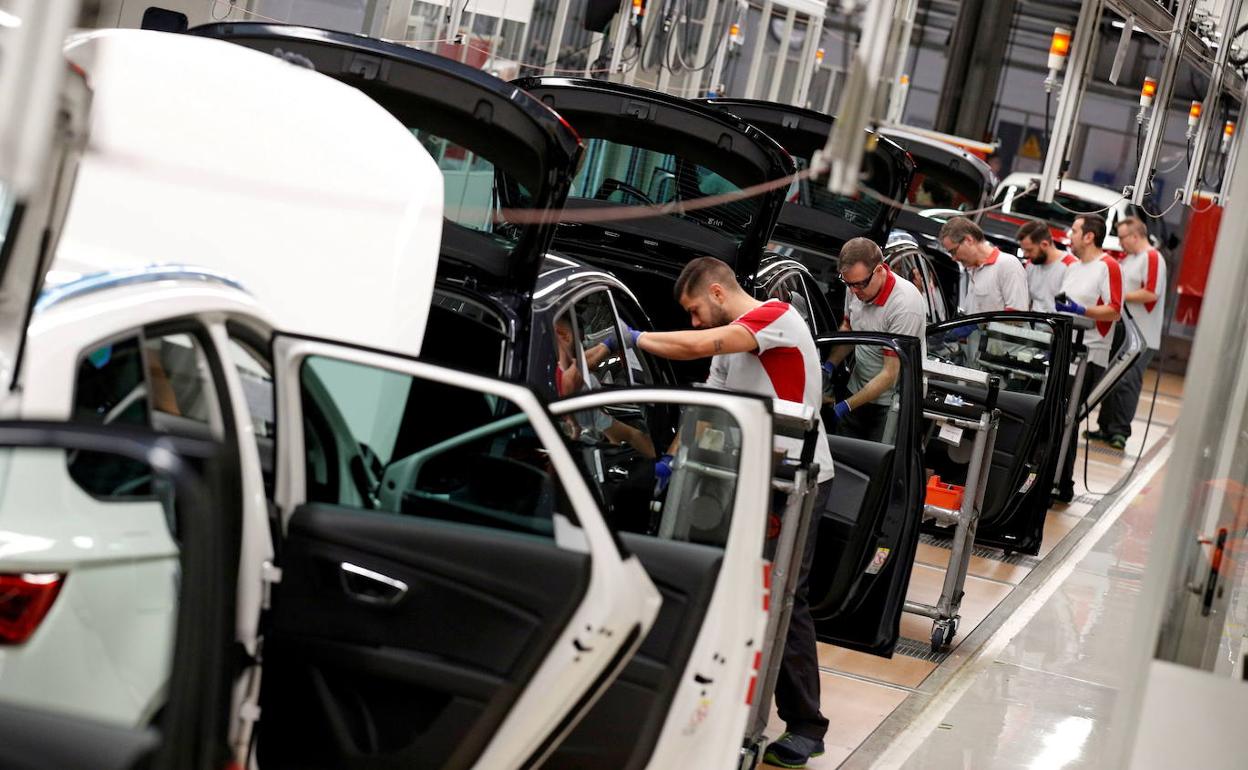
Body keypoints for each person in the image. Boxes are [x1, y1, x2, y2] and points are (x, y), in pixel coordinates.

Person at [629, 256, 835, 768]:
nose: (696, 322)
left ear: (718, 293)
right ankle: (721, 704)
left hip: (796, 480)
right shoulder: (730, 343)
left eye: (696, 310)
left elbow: (698, 344)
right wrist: (672, 461)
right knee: (730, 589)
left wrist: (633, 339)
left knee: (783, 596)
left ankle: (807, 725)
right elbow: (709, 409)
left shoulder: (775, 317)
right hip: (740, 478)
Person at [825, 238, 927, 442]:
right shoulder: (855, 286)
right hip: (858, 389)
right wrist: (829, 364)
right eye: (848, 284)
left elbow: (890, 374)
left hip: (891, 402)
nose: (854, 291)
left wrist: (846, 405)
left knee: (876, 463)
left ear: (879, 270)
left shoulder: (905, 305)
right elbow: (850, 329)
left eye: (860, 284)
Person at [1053, 213, 1123, 502]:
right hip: (1064, 351)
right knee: (1057, 418)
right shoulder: (1073, 267)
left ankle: (1061, 484)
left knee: (1068, 419)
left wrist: (1084, 312)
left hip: (1088, 356)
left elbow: (1114, 310)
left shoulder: (1108, 266)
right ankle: (1053, 478)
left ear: (1089, 236)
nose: (1070, 235)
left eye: (1075, 230)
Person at [1087, 216, 1167, 450]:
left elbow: (1151, 293)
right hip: (1125, 331)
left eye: (1122, 237)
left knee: (1128, 382)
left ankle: (1120, 431)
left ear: (1135, 235)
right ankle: (1105, 426)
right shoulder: (1129, 258)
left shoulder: (1152, 257)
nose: (1120, 242)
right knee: (1111, 379)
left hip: (1143, 334)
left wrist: (1118, 297)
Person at [939, 216, 1029, 314]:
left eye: (953, 251)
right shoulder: (973, 270)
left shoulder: (1008, 265)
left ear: (969, 240)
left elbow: (1016, 315)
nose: (953, 258)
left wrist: (982, 326)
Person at [1017, 219, 1076, 312]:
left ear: (1044, 244)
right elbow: (1024, 301)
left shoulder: (1071, 266)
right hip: (1030, 322)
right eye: (1024, 250)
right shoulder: (1030, 264)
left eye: (1029, 250)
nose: (1026, 255)